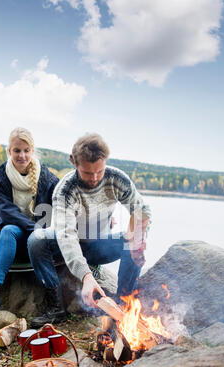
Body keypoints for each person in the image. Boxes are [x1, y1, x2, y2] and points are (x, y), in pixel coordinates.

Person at [28, 133, 151, 328]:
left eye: (99, 171)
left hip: (99, 245)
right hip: (68, 246)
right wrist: (86, 277)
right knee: (36, 239)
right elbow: (66, 237)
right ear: (74, 163)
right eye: (87, 173)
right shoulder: (65, 190)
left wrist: (138, 236)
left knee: (133, 241)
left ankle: (122, 308)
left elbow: (142, 210)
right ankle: (55, 307)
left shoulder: (117, 179)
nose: (94, 178)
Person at [0, 127, 59, 321]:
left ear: (32, 151)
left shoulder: (48, 178)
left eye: (26, 150)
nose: (22, 155)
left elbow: (63, 202)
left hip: (34, 240)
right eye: (17, 150)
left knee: (9, 229)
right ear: (9, 151)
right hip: (8, 237)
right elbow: (6, 212)